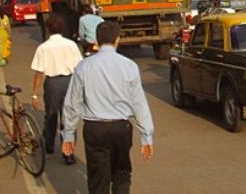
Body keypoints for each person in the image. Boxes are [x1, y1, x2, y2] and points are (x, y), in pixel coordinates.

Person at [63, 21, 154, 193]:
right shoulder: (129, 66)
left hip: (94, 128)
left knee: (98, 179)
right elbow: (138, 103)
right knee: (121, 173)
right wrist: (146, 136)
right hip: (121, 127)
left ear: (96, 41)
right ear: (117, 40)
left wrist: (69, 133)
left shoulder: (84, 66)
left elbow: (72, 103)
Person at [31, 12, 82, 165]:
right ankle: (68, 153)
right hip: (69, 83)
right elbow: (79, 68)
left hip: (52, 84)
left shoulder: (43, 47)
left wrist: (34, 94)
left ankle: (49, 146)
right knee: (68, 120)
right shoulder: (71, 45)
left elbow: (38, 72)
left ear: (48, 29)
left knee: (51, 116)